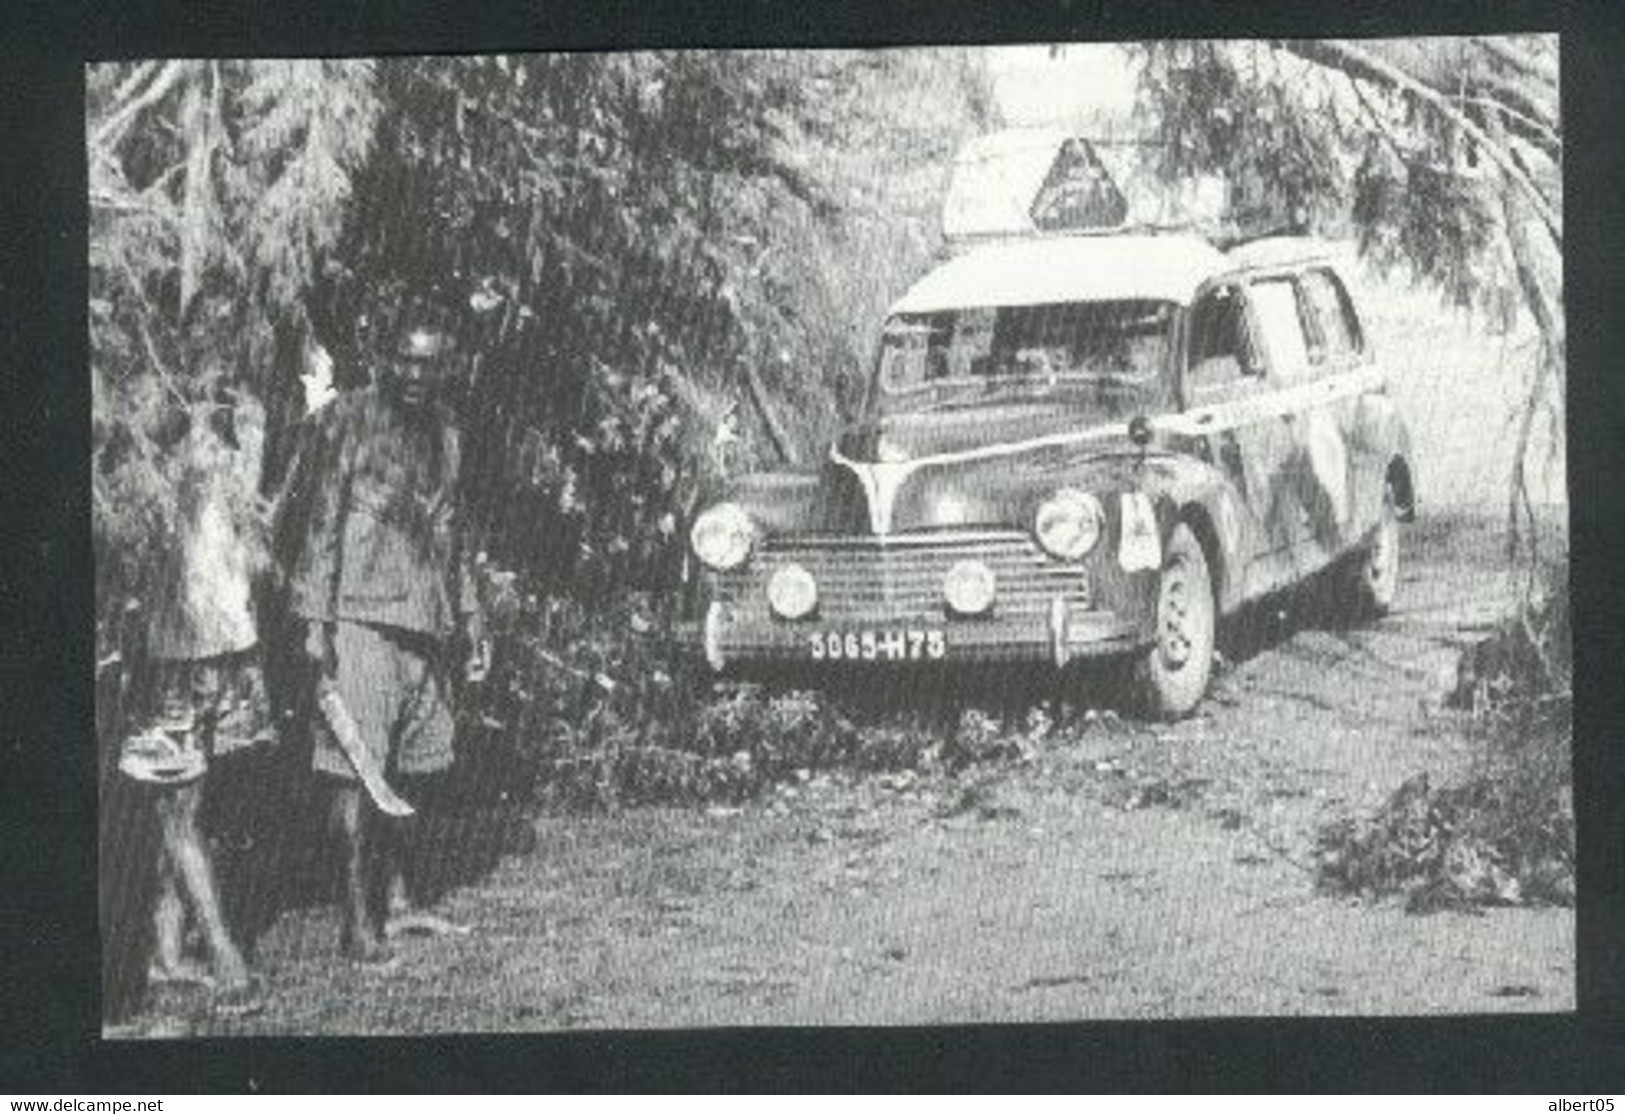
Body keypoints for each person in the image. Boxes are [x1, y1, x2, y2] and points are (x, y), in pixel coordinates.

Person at [280, 311, 487, 964]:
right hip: (358, 618)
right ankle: (355, 919)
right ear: (384, 357)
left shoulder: (448, 432)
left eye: (429, 362)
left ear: (447, 366)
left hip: (425, 620)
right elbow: (317, 524)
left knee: (416, 763)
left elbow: (453, 531)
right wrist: (313, 624)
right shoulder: (348, 420)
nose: (415, 374)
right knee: (354, 771)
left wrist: (471, 615)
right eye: (405, 359)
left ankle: (398, 904)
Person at [120, 387, 274, 1011]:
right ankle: (224, 952)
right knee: (179, 807)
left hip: (229, 639)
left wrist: (247, 424)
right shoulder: (148, 400)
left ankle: (166, 953)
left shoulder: (242, 408)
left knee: (186, 803)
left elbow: (252, 522)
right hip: (170, 648)